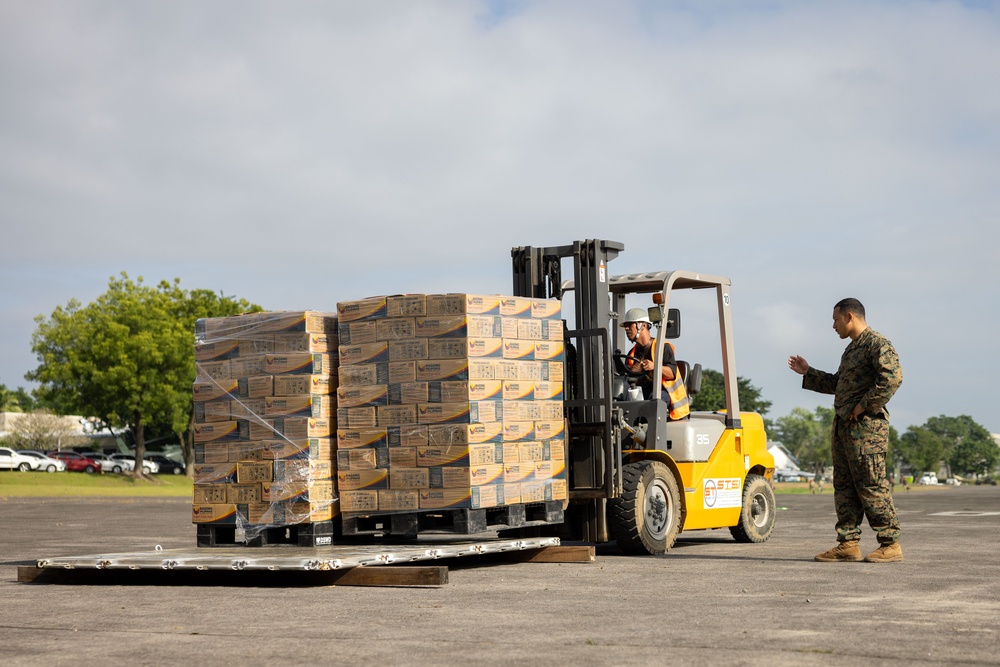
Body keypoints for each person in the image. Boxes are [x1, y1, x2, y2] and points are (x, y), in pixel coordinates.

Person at [788, 298, 903, 563]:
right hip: (844, 429)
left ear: (849, 316)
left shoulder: (877, 344)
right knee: (844, 487)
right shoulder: (851, 350)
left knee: (871, 485)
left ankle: (890, 543)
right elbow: (839, 384)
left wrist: (864, 405)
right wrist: (808, 372)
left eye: (836, 319)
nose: (833, 325)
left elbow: (892, 378)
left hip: (867, 432)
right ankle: (848, 544)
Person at [621, 307, 690, 420]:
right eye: (625, 326)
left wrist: (654, 366)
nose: (626, 328)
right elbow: (629, 378)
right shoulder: (632, 354)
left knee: (655, 399)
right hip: (644, 392)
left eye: (630, 325)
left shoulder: (663, 347)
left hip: (666, 394)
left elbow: (672, 374)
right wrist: (633, 372)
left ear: (643, 325)